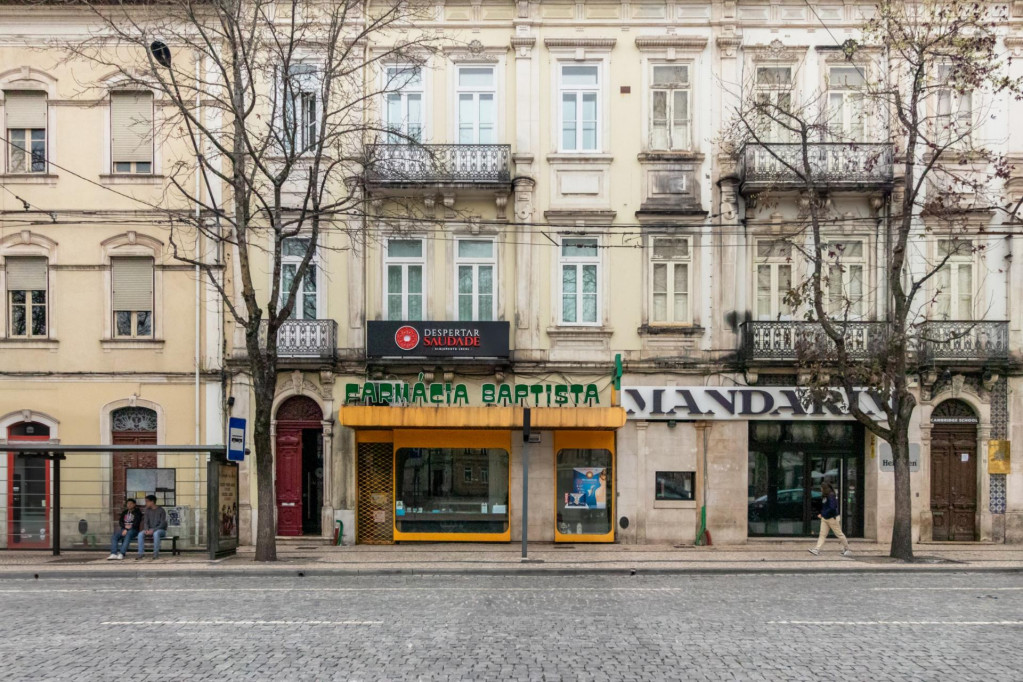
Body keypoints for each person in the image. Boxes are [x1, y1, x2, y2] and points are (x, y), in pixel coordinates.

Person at [809, 482, 851, 556]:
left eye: (821, 488)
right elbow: (825, 507)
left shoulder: (831, 496)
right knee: (822, 534)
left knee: (839, 534)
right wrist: (822, 514)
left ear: (824, 488)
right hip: (825, 518)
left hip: (832, 518)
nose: (820, 489)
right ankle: (817, 549)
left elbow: (832, 507)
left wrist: (823, 514)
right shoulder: (825, 496)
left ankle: (847, 548)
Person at [137, 494, 168, 560]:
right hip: (149, 529)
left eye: (147, 501)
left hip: (160, 530)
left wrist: (153, 530)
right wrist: (146, 529)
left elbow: (162, 524)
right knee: (140, 534)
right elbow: (146, 522)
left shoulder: (161, 510)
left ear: (152, 502)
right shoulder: (147, 510)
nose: (146, 503)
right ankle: (140, 554)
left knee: (156, 534)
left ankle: (155, 554)